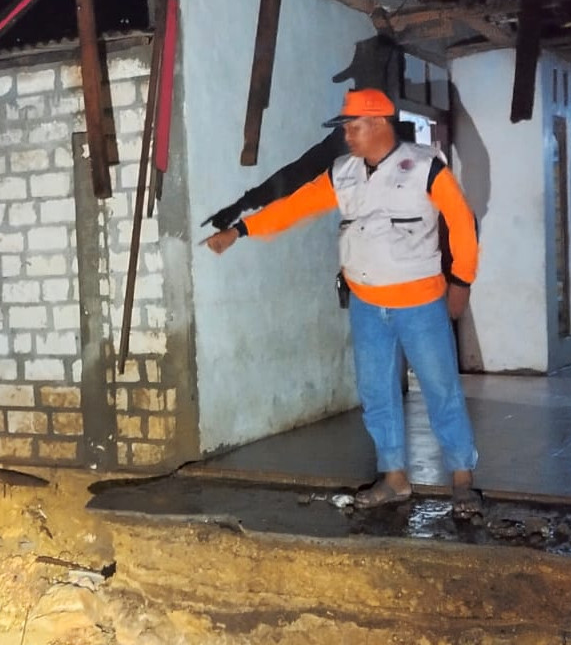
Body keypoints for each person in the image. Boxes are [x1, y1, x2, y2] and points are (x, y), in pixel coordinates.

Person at [203, 87, 482, 518]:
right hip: (368, 304)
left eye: (353, 127)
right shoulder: (343, 173)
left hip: (421, 302)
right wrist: (240, 231)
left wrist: (460, 283)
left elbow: (462, 224)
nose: (347, 136)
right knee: (376, 393)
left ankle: (462, 480)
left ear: (379, 125)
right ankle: (394, 478)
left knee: (440, 388)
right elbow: (293, 206)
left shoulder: (425, 168)